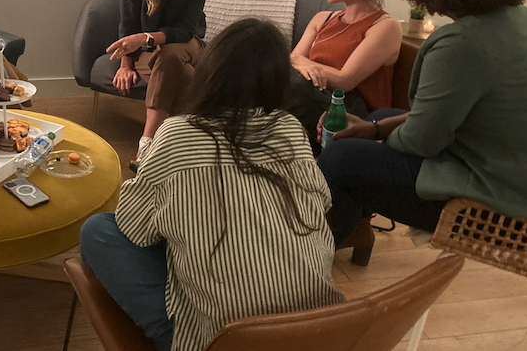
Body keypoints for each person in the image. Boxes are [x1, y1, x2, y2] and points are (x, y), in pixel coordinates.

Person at [82, 18, 345, 351]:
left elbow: (134, 227)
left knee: (98, 230)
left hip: (226, 339)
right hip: (320, 328)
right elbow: (320, 204)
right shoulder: (290, 129)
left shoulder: (177, 133)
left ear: (211, 71)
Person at [318, 0, 527, 247]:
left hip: (496, 198)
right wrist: (372, 129)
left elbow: (421, 142)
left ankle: (316, 255)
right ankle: (352, 234)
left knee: (339, 158)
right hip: (521, 175)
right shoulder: (525, 20)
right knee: (378, 118)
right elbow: (448, 116)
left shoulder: (462, 44)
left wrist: (372, 139)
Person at [107, 0, 213, 169]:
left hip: (189, 43)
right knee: (178, 71)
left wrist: (145, 38)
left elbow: (186, 30)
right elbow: (128, 23)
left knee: (171, 55)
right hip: (151, 52)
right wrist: (125, 65)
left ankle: (147, 142)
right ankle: (188, 146)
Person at [287, 0, 402, 149]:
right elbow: (294, 58)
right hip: (309, 98)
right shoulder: (323, 19)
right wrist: (301, 65)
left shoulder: (385, 27)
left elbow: (345, 80)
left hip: (351, 114)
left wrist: (303, 66)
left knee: (294, 83)